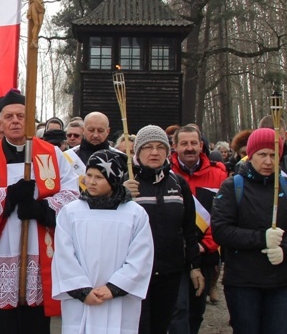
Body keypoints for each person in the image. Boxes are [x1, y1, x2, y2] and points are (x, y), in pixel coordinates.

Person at [0, 89, 79, 334]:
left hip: (37, 249)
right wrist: (10, 196)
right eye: (9, 117)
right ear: (0, 124)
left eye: (21, 116)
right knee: (0, 323)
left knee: (33, 322)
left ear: (31, 121)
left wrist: (41, 209)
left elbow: (72, 196)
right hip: (0, 249)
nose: (15, 121)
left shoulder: (52, 154)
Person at [52, 150, 154, 334]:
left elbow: (141, 257)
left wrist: (114, 288)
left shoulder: (134, 214)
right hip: (81, 301)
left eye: (99, 177)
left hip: (119, 301)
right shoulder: (71, 212)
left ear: (114, 179)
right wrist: (82, 291)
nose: (91, 181)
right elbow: (63, 255)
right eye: (89, 175)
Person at [122, 125, 203, 334]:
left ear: (168, 151)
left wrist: (194, 265)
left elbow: (188, 229)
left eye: (160, 147)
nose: (155, 152)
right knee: (139, 327)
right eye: (148, 147)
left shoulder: (178, 183)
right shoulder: (126, 181)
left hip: (170, 270)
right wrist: (120, 195)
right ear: (138, 151)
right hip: (135, 270)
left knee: (163, 325)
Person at [212, 128, 287, 334]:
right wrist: (261, 238)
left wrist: (284, 250)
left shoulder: (285, 187)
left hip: (280, 282)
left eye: (274, 155)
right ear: (250, 155)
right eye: (262, 154)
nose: (268, 161)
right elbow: (221, 230)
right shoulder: (232, 187)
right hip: (243, 282)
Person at [169, 125, 227, 334]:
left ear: (201, 145)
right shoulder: (166, 174)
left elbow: (222, 217)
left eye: (194, 143)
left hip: (205, 254)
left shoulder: (218, 175)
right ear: (174, 147)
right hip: (176, 254)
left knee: (196, 310)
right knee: (178, 309)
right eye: (184, 144)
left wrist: (205, 245)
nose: (189, 148)